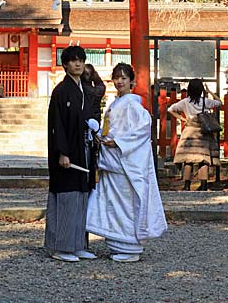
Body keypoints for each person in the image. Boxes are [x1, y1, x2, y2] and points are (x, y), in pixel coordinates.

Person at [86, 63, 167, 263]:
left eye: (124, 78)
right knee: (114, 204)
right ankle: (118, 243)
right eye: (117, 78)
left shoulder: (132, 104)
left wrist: (120, 142)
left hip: (124, 162)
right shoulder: (116, 103)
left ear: (132, 81)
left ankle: (130, 245)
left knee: (125, 204)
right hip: (112, 160)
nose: (120, 82)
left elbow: (143, 129)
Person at [44, 45, 97, 262]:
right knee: (67, 197)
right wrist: (62, 152)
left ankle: (78, 244)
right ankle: (61, 247)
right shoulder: (61, 91)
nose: (78, 64)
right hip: (67, 152)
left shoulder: (84, 89)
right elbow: (58, 125)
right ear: (65, 65)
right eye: (73, 60)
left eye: (81, 60)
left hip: (83, 148)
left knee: (81, 197)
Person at [168, 78, 222, 191]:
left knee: (188, 160)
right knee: (203, 160)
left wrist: (182, 118)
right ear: (201, 89)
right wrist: (210, 92)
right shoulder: (205, 101)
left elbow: (171, 109)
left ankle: (187, 185)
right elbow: (219, 102)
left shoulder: (185, 102)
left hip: (189, 132)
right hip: (203, 133)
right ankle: (203, 185)